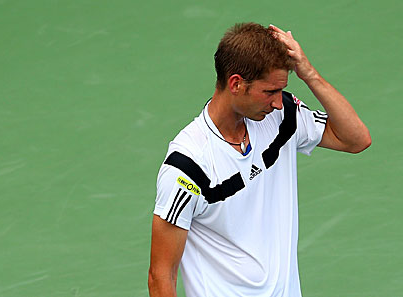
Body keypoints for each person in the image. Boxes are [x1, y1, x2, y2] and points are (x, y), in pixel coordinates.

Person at [148, 22, 371, 297]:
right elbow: (161, 276)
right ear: (236, 84)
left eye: (281, 91)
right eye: (269, 92)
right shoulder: (188, 167)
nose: (278, 102)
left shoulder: (280, 118)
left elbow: (356, 139)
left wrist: (309, 73)